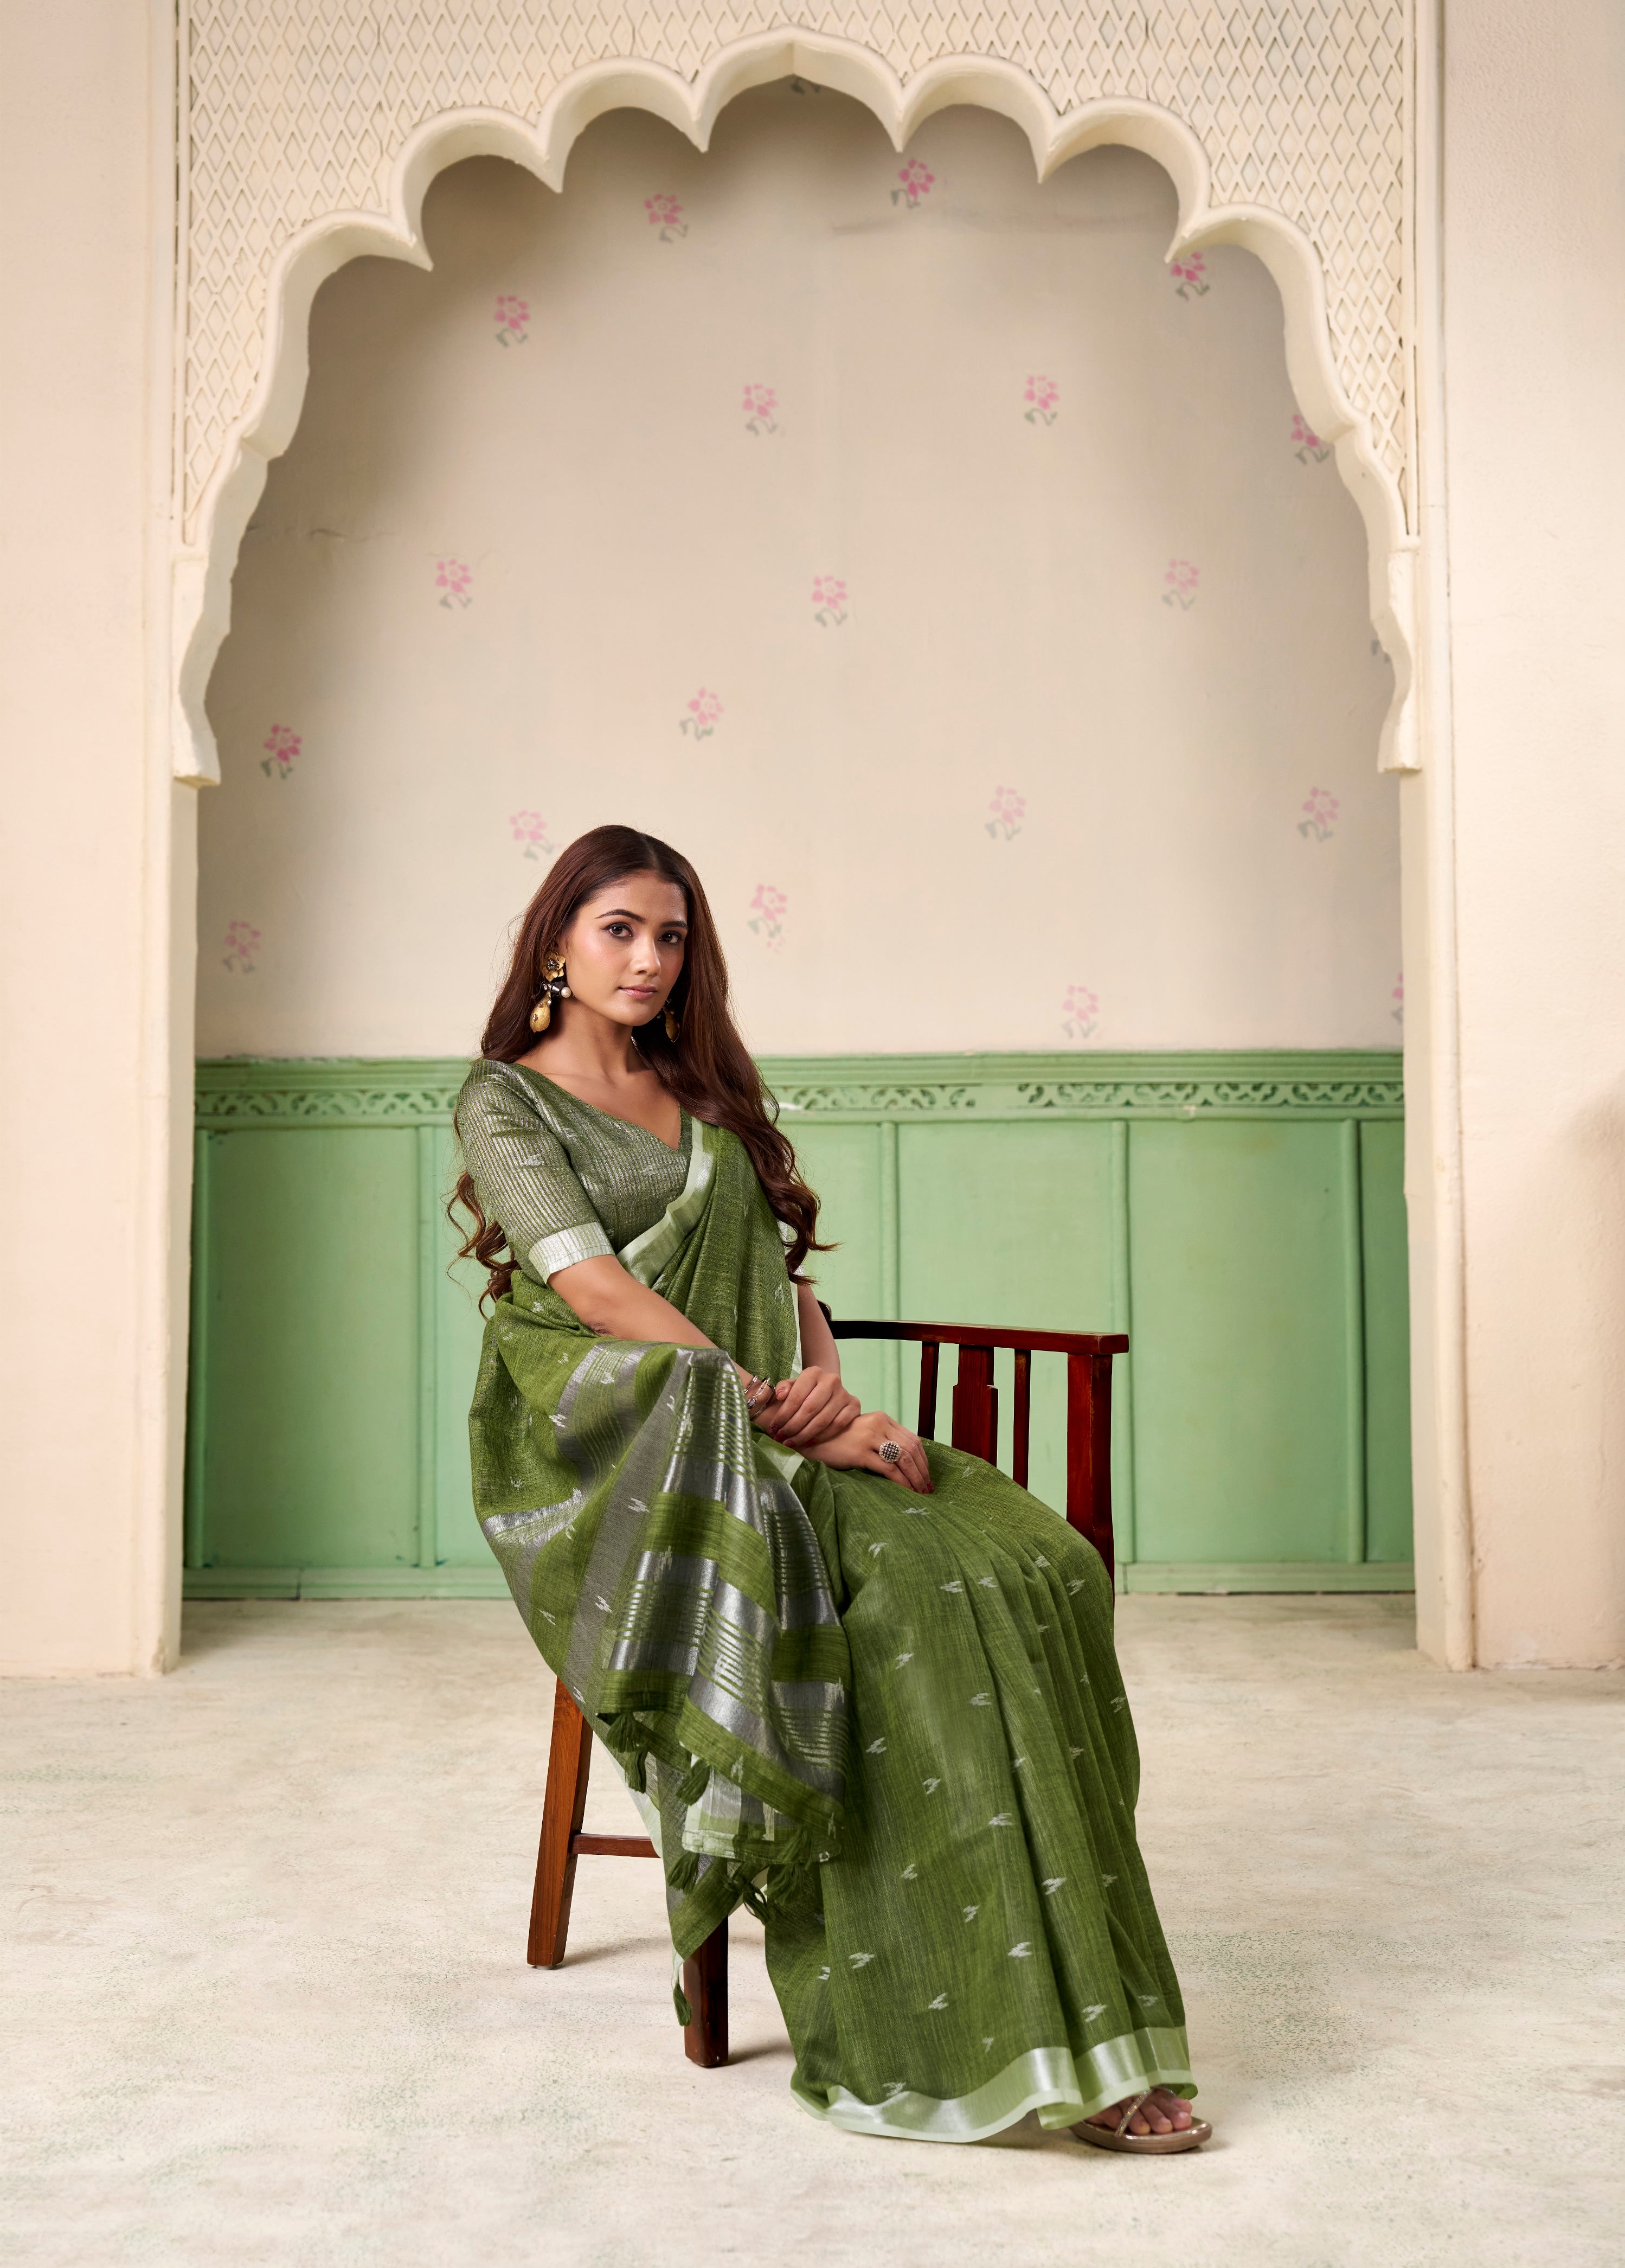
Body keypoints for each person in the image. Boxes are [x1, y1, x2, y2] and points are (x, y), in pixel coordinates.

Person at [452, 824, 1207, 2153]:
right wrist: (774, 1419)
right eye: (618, 928)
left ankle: (1090, 2011)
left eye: (669, 935)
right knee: (906, 1608)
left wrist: (827, 1397)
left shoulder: (701, 1086)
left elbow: (786, 1286)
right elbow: (594, 1293)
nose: (646, 957)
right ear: (557, 942)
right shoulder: (504, 1099)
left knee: (1027, 1566)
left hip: (774, 1421)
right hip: (654, 1458)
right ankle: (988, 2031)